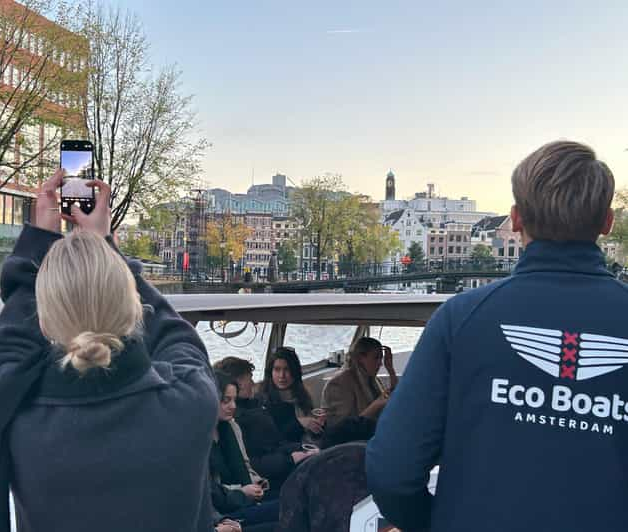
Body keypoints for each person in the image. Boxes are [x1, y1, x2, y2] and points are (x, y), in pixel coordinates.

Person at [367, 141, 628, 532]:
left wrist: (437, 522)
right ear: (606, 223)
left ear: (517, 218)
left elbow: (392, 470)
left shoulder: (460, 319)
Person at [0, 171, 219, 532]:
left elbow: (6, 346)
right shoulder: (193, 399)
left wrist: (42, 239)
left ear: (44, 323)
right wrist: (103, 243)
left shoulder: (10, 415)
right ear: (134, 308)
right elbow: (177, 336)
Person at [214, 357, 317, 491]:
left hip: (280, 463)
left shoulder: (256, 404)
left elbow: (276, 442)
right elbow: (252, 463)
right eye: (249, 379)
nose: (253, 383)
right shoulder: (234, 420)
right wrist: (290, 459)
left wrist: (301, 448)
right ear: (238, 383)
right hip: (269, 477)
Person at [210, 371, 279, 529]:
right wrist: (242, 492)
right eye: (226, 401)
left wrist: (256, 482)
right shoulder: (198, 439)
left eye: (234, 400)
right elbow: (211, 491)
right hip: (224, 509)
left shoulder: (231, 427)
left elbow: (245, 465)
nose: (233, 406)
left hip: (245, 496)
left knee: (291, 500)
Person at [321, 337, 398, 429]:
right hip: (350, 440)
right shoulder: (340, 383)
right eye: (376, 358)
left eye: (381, 358)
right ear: (361, 358)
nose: (380, 363)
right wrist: (376, 405)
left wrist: (390, 369)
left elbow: (395, 397)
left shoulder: (372, 379)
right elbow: (342, 428)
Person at [258, 347, 321, 442]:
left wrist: (318, 425)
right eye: (277, 369)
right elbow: (272, 438)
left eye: (287, 369)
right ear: (270, 372)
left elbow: (312, 433)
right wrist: (299, 423)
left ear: (294, 371)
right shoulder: (263, 400)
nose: (282, 375)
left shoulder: (302, 395)